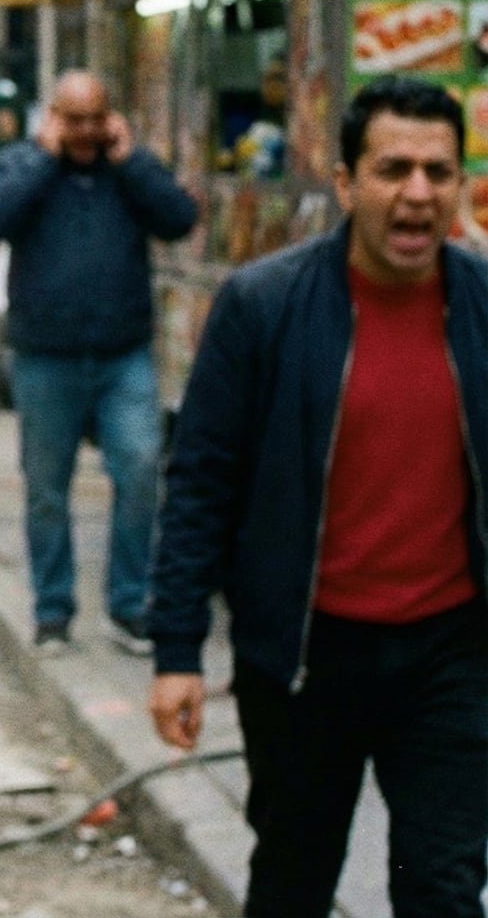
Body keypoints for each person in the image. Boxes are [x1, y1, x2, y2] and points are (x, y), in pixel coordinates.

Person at [149, 75, 488, 917]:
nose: (417, 194)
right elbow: (201, 482)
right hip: (304, 657)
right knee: (294, 881)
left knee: (445, 888)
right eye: (393, 169)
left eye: (438, 173)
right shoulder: (262, 306)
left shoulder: (483, 306)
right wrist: (177, 652)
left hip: (451, 654)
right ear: (345, 183)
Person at [0, 70, 198, 656]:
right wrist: (43, 160)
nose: (84, 132)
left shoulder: (127, 172)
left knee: (141, 470)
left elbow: (178, 218)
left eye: (94, 119)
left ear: (110, 119)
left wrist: (133, 162)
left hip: (123, 356)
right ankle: (53, 612)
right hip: (45, 359)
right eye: (72, 120)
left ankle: (129, 604)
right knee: (47, 489)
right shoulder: (23, 165)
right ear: (52, 119)